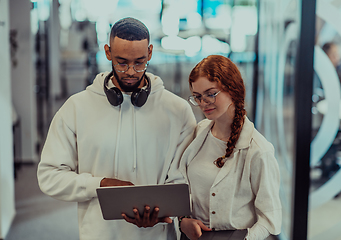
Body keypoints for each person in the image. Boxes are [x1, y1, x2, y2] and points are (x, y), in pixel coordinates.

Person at [37, 17, 196, 240]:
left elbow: (185, 180)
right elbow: (49, 177)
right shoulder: (76, 107)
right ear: (108, 52)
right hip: (98, 234)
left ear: (150, 53)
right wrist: (99, 185)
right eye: (122, 62)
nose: (131, 71)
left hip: (158, 235)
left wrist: (164, 211)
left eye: (139, 62)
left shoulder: (178, 111)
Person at [178, 55, 282, 240]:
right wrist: (183, 220)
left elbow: (270, 219)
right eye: (197, 97)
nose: (203, 103)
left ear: (232, 90)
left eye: (211, 94)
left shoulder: (258, 150)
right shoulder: (199, 132)